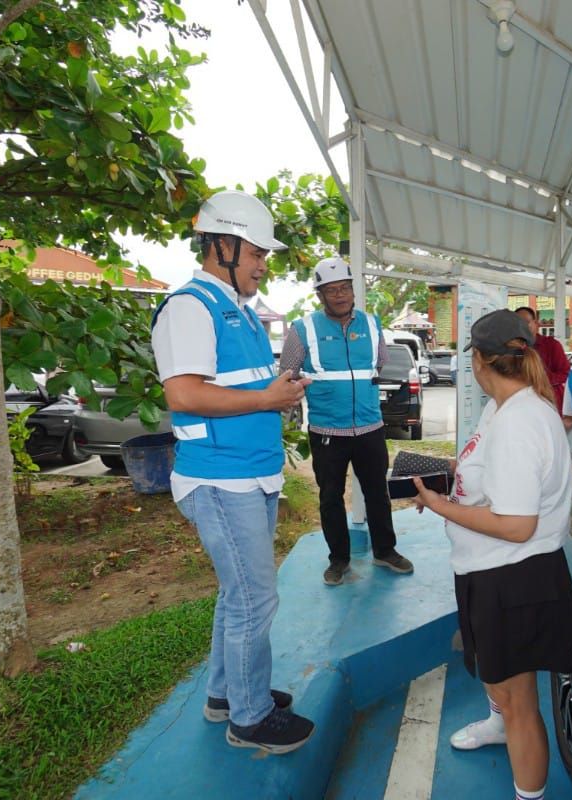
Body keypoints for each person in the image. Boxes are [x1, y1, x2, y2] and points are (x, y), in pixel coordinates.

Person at [151, 190, 315, 753]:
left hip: (250, 474)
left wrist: (279, 391)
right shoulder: (190, 307)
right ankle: (250, 717)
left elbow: (241, 386)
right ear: (221, 244)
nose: (263, 264)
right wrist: (268, 399)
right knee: (254, 599)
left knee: (237, 594)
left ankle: (226, 694)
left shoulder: (238, 309)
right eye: (256, 252)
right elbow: (184, 394)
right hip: (221, 479)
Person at [413, 309, 572, 800]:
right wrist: (447, 480)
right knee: (496, 677)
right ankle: (498, 724)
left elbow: (517, 525)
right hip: (488, 568)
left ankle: (530, 793)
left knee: (519, 700)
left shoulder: (518, 424)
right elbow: (490, 476)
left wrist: (441, 506)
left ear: (480, 360)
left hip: (513, 578)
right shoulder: (504, 408)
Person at [279, 257, 415, 585]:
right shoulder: (302, 329)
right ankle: (338, 560)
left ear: (353, 290)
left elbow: (379, 363)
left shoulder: (371, 324)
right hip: (327, 431)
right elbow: (287, 376)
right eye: (331, 290)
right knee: (330, 497)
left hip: (370, 427)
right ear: (320, 295)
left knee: (377, 492)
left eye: (344, 288)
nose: (339, 295)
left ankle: (385, 551)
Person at [515, 306, 569, 410]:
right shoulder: (512, 349)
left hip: (550, 403)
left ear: (536, 323)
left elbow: (565, 374)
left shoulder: (552, 345)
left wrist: (540, 380)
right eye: (517, 324)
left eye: (526, 322)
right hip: (523, 404)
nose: (522, 327)